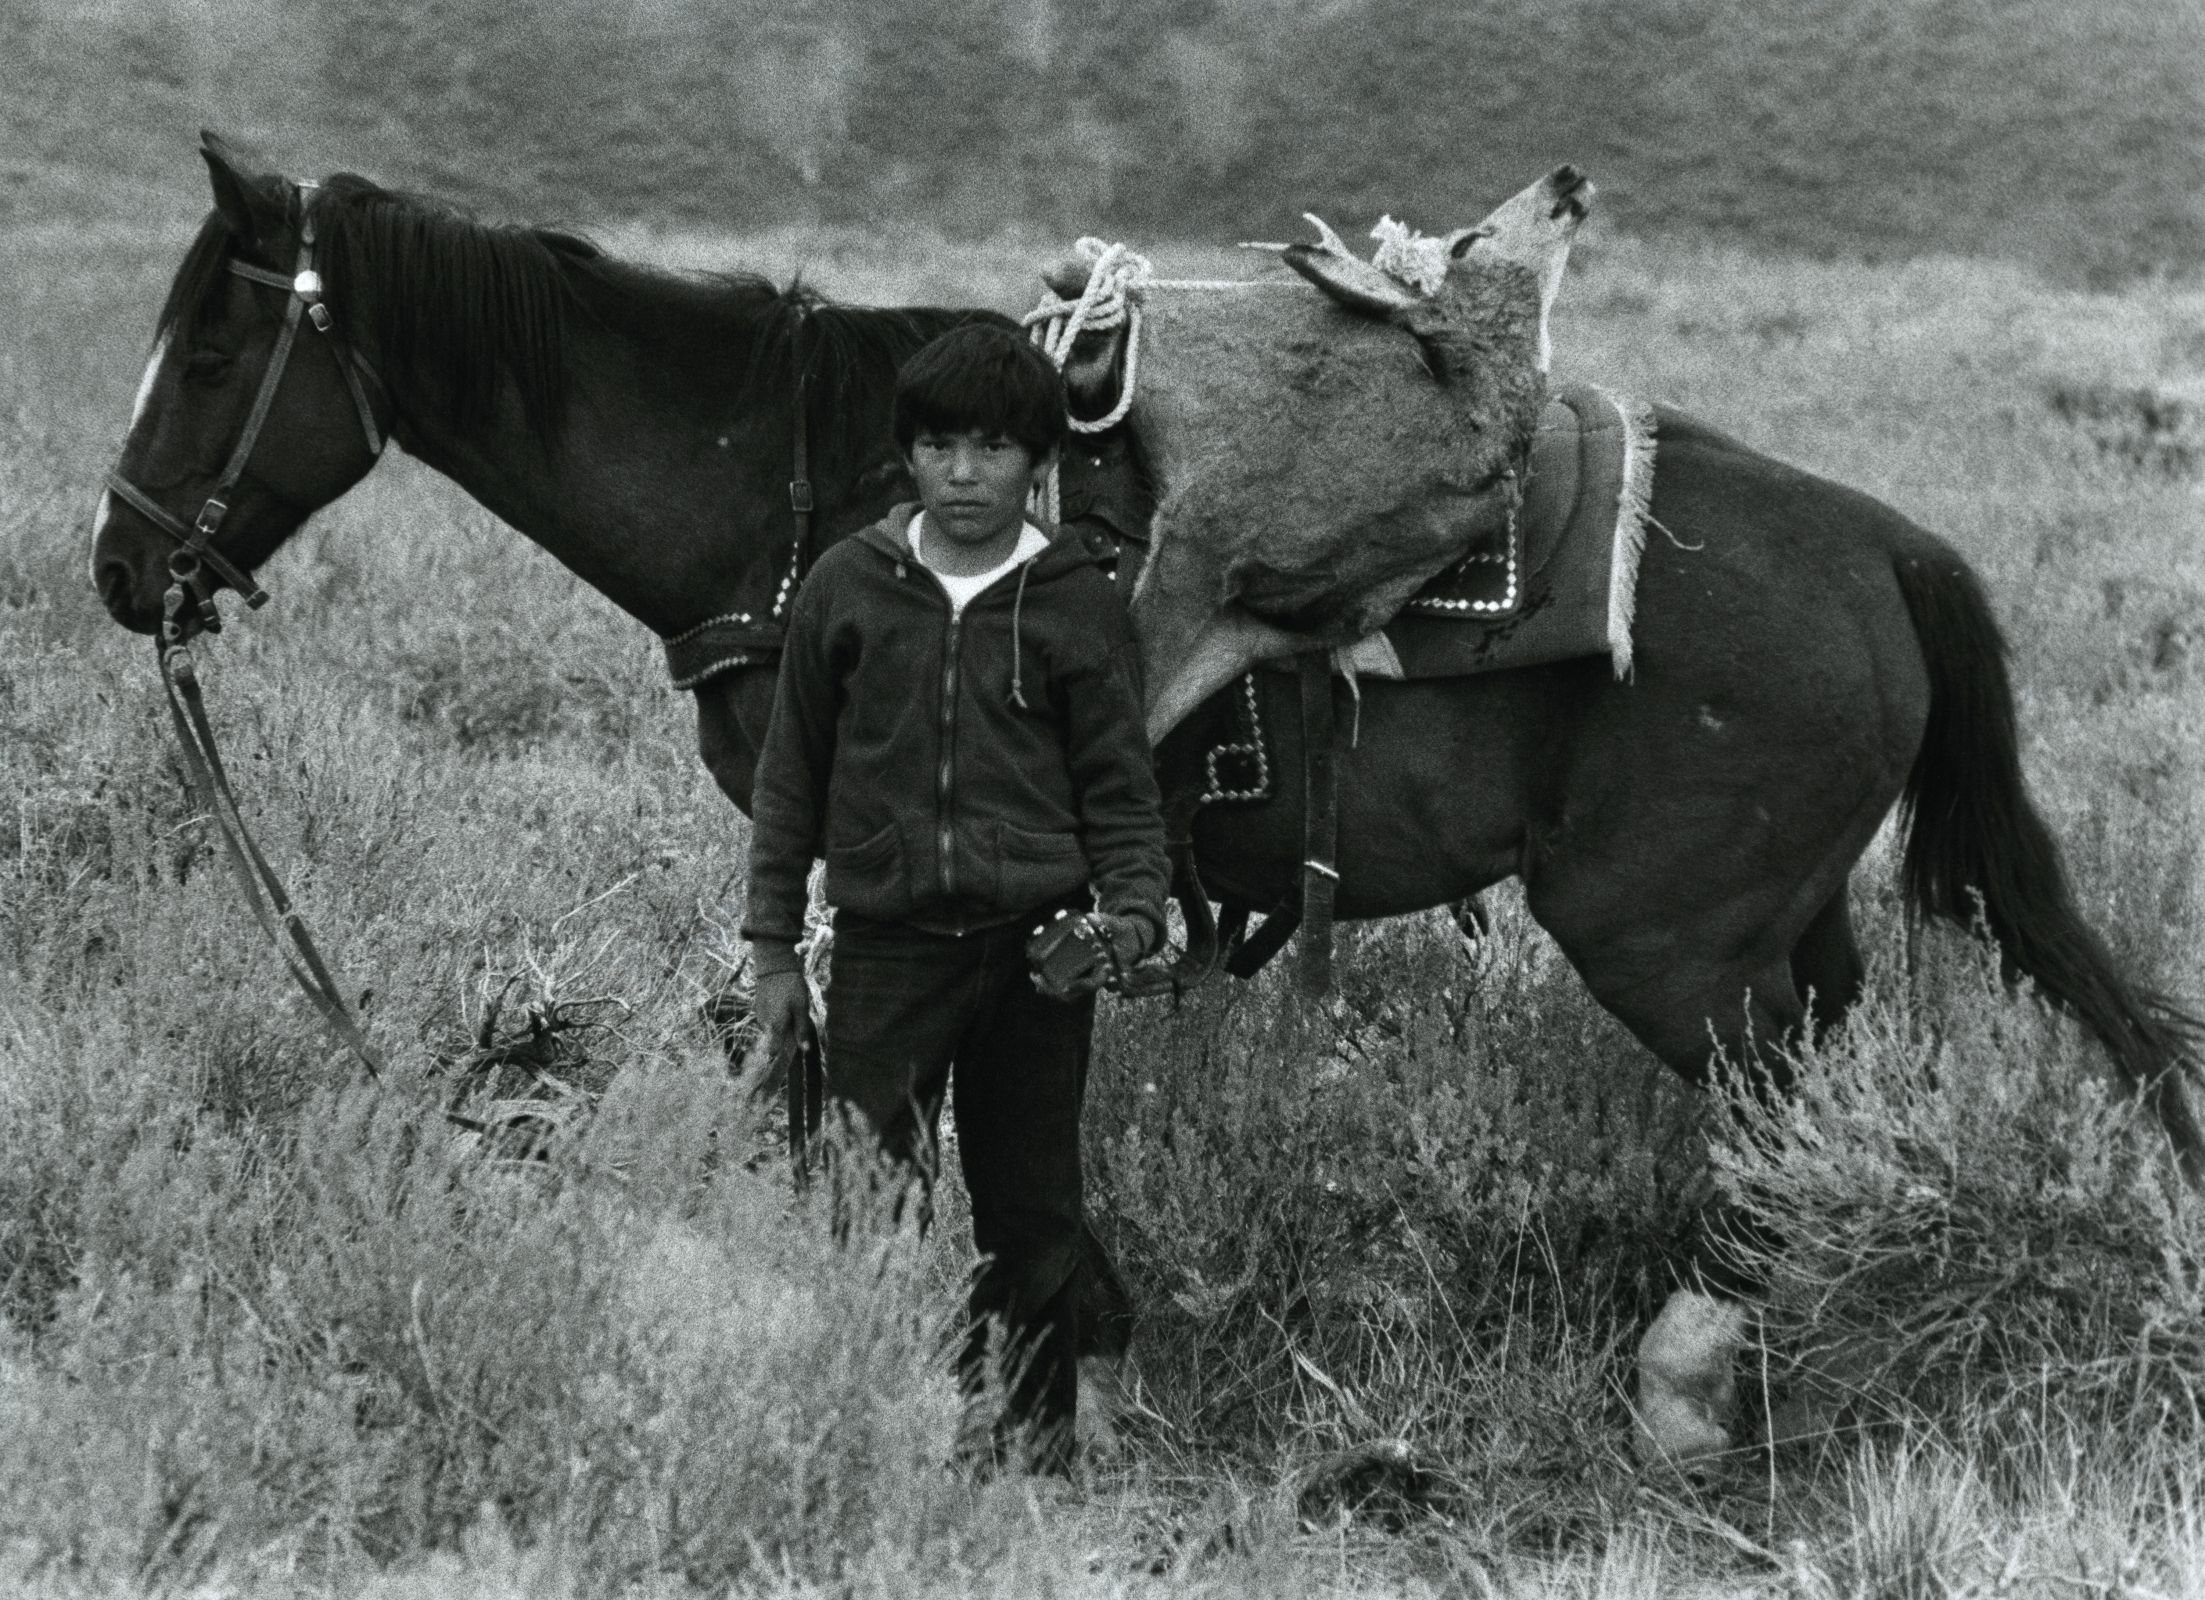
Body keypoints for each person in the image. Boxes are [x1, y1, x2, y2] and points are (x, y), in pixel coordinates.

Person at [743, 322, 1170, 1473]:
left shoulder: (1075, 600)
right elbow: (790, 780)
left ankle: (1034, 1459)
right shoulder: (848, 585)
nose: (965, 474)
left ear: (1040, 459)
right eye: (939, 447)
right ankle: (859, 1441)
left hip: (1036, 957)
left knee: (1033, 1214)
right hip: (886, 948)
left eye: (993, 448)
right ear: (908, 456)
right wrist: (773, 948)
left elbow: (1122, 791)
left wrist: (1132, 915)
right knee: (862, 1200)